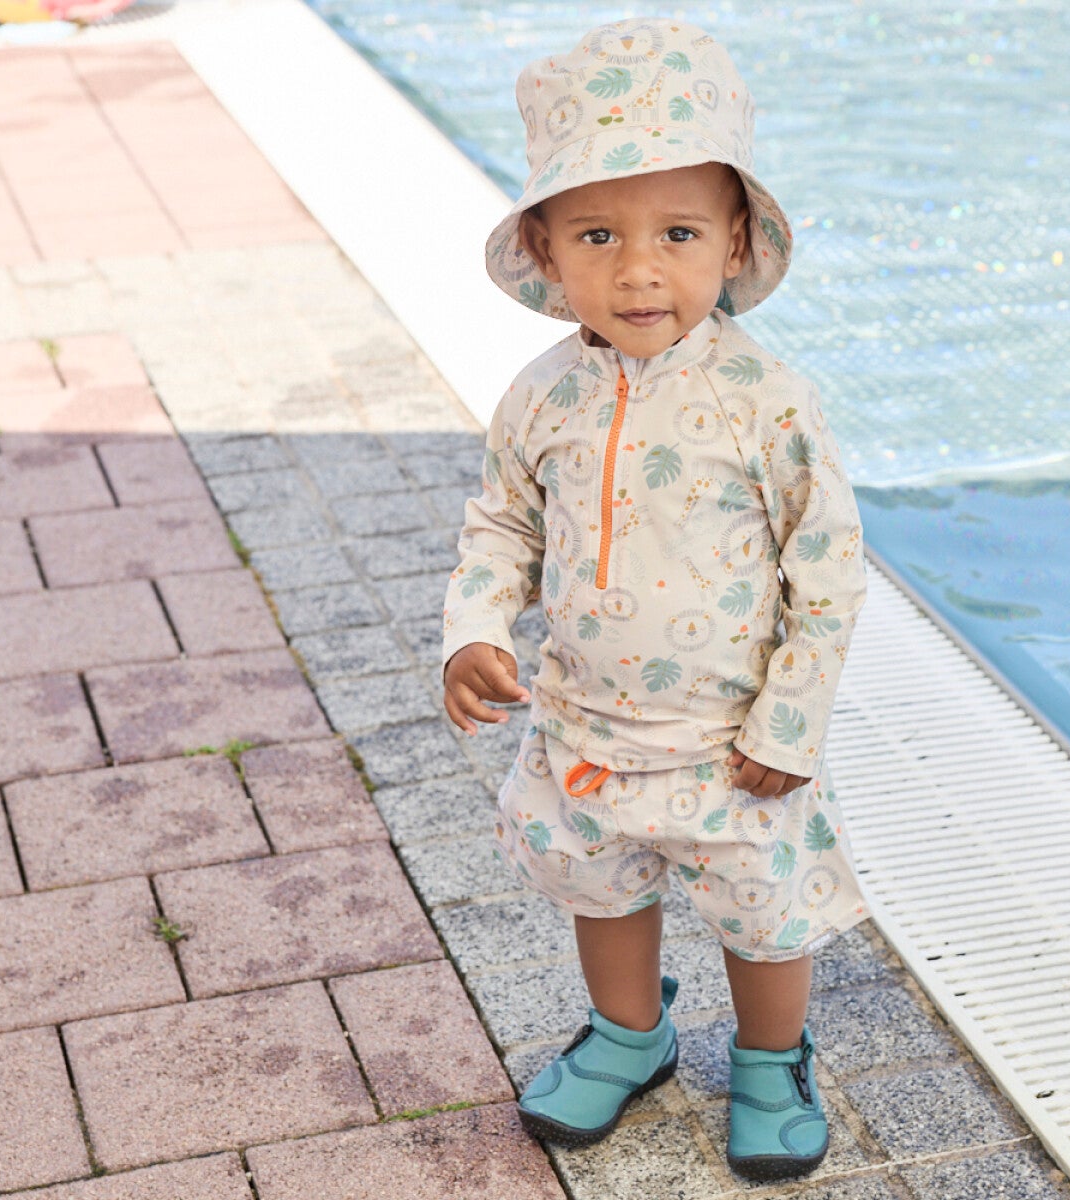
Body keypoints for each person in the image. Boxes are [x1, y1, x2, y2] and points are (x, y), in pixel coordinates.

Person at [440, 16, 869, 1182]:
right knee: (603, 886)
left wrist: (790, 721)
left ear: (735, 242)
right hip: (588, 727)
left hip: (734, 744)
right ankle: (632, 1035)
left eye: (677, 233)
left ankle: (772, 1060)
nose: (639, 270)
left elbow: (827, 566)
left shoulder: (765, 399)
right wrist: (475, 629)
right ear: (546, 247)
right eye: (598, 234)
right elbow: (504, 522)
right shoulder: (542, 397)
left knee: (762, 910)